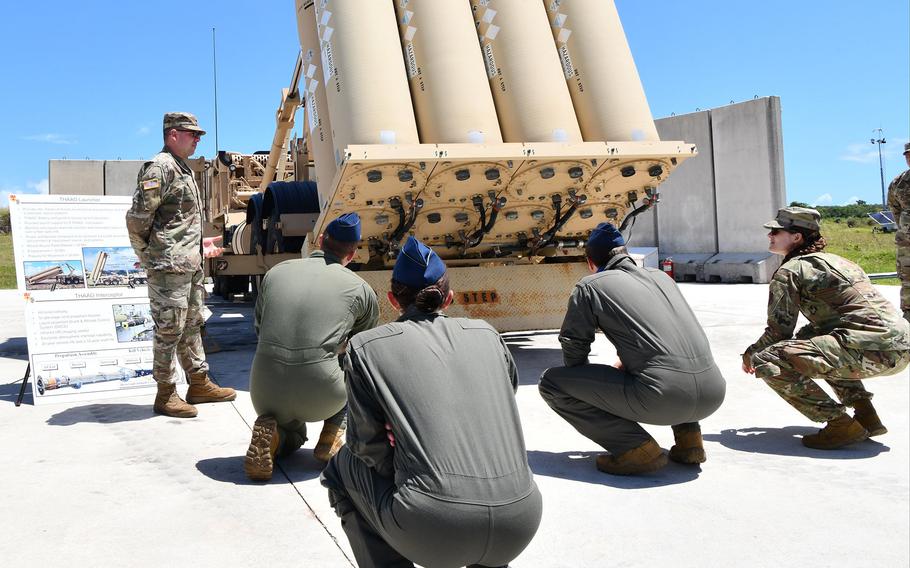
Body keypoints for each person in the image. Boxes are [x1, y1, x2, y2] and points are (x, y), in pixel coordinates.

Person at [321, 237, 542, 568]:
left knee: (343, 466)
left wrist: (402, 465)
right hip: (521, 521)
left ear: (393, 299)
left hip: (434, 527)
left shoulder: (367, 347)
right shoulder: (487, 334)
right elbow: (503, 399)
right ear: (449, 299)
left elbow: (367, 446)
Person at [539, 222, 726, 475]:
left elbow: (575, 345)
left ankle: (636, 449)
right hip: (713, 394)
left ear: (591, 262)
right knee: (673, 363)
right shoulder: (661, 278)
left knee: (552, 383)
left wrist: (586, 386)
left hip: (665, 398)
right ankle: (690, 442)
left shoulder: (591, 285)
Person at [742, 206, 910, 449]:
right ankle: (866, 415)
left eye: (776, 232)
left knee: (768, 358)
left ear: (797, 237)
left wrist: (750, 352)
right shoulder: (841, 261)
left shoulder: (790, 270)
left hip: (873, 352)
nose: (770, 236)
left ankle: (839, 425)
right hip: (902, 347)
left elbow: (779, 332)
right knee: (811, 337)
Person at [243, 213, 379, 481]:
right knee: (352, 364)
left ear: (318, 241)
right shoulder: (360, 289)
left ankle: (280, 438)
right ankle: (333, 434)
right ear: (351, 254)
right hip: (323, 396)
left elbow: (259, 328)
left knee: (294, 430)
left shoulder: (276, 273)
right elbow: (366, 349)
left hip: (263, 392)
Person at [126, 112, 235, 418]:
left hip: (189, 264)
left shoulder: (182, 168)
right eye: (192, 134)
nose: (198, 139)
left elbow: (176, 223)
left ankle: (199, 383)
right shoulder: (159, 168)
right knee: (169, 330)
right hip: (168, 268)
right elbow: (137, 220)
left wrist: (198, 246)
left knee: (192, 325)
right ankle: (165, 393)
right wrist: (150, 257)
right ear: (173, 134)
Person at [887, 141, 910, 321]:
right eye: (907, 155)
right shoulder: (898, 182)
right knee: (907, 278)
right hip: (907, 243)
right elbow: (894, 209)